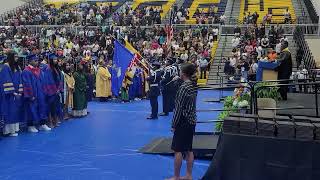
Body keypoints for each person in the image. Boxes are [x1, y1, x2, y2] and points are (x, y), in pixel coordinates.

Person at [167, 63, 198, 180]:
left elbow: (179, 108)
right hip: (192, 119)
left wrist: (174, 124)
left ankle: (176, 177)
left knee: (178, 150)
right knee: (189, 149)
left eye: (180, 71)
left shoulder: (184, 88)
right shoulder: (193, 85)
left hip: (183, 121)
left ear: (183, 74)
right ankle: (189, 175)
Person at [22, 54, 51, 133]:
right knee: (31, 109)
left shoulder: (39, 70)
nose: (37, 62)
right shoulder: (26, 71)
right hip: (32, 94)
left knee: (42, 107)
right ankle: (30, 126)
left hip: (41, 93)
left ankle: (42, 124)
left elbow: (43, 81)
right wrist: (30, 95)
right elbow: (26, 84)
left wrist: (45, 92)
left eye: (37, 60)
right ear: (30, 61)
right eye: (35, 61)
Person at [1, 52, 24, 137]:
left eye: (17, 57)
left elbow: (20, 79)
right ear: (11, 57)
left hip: (17, 93)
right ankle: (8, 131)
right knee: (9, 111)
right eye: (15, 57)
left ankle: (15, 129)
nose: (17, 58)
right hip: (9, 95)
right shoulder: (6, 67)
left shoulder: (17, 67)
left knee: (15, 112)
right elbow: (6, 80)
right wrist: (13, 92)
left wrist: (20, 92)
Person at [42, 53, 63, 128]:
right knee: (50, 106)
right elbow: (49, 81)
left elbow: (59, 79)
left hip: (56, 91)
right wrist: (55, 90)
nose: (55, 61)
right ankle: (50, 121)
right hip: (51, 91)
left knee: (56, 106)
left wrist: (59, 89)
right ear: (50, 60)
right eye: (54, 59)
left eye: (56, 59)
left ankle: (55, 119)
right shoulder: (48, 69)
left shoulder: (56, 68)